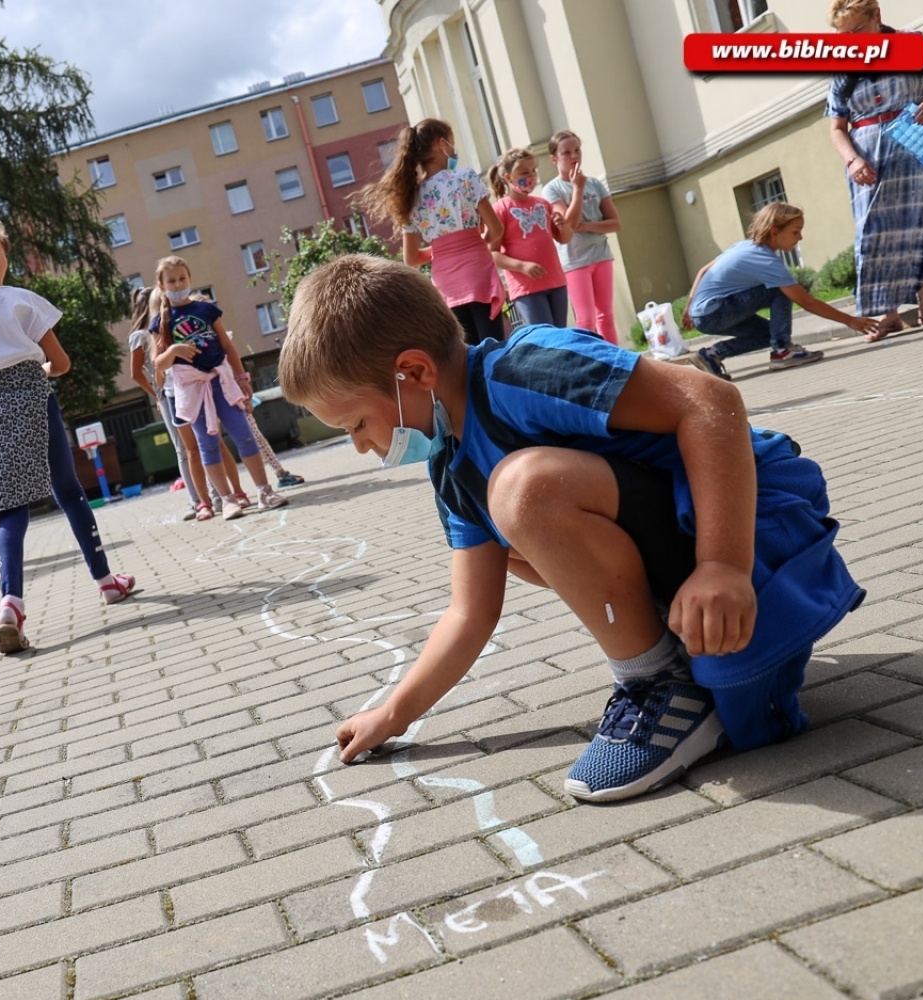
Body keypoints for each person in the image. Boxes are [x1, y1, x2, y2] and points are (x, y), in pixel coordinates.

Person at [278, 254, 864, 803]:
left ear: (413, 371)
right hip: (692, 556)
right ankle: (674, 666)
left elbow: (710, 402)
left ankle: (664, 685)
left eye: (355, 423)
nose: (359, 447)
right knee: (508, 541)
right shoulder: (452, 466)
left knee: (523, 490)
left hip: (752, 527)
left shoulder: (525, 369)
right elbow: (470, 611)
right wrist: (395, 712)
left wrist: (723, 566)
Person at [0, 214, 135, 653]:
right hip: (35, 399)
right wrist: (37, 370)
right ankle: (107, 581)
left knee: (9, 508)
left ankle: (11, 605)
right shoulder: (20, 300)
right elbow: (60, 364)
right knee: (68, 490)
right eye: (3, 246)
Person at [826, 0, 923, 340]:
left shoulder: (913, 43)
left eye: (859, 30)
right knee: (874, 235)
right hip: (866, 156)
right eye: (846, 35)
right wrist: (853, 160)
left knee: (919, 226)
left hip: (912, 141)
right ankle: (888, 315)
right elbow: (836, 127)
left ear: (877, 16)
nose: (853, 40)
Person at [152, 255, 289, 520]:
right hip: (192, 388)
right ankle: (227, 500)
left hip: (220, 381)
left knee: (243, 433)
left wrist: (242, 378)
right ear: (161, 286)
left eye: (182, 279)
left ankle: (264, 491)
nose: (178, 284)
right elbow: (159, 362)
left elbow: (227, 346)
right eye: (172, 281)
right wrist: (174, 350)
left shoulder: (207, 310)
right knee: (207, 444)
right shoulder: (161, 322)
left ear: (190, 279)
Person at [682, 203, 878, 378]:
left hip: (704, 314)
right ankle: (783, 351)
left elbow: (703, 270)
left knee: (770, 334)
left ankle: (711, 355)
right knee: (781, 289)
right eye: (795, 231)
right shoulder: (765, 260)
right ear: (775, 232)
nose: (800, 237)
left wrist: (689, 307)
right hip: (714, 310)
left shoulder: (744, 246)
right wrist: (850, 320)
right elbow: (806, 302)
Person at [359, 118, 508, 345]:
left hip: (446, 283)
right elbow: (496, 229)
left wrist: (439, 249)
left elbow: (412, 258)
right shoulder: (465, 178)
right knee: (494, 347)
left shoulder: (411, 196)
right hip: (478, 272)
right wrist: (480, 241)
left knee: (466, 352)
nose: (454, 149)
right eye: (452, 143)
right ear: (442, 144)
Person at [128, 286, 204, 520]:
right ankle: (196, 500)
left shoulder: (163, 328)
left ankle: (208, 495)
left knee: (196, 445)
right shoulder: (140, 336)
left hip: (181, 388)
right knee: (184, 449)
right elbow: (136, 373)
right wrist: (157, 393)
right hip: (167, 393)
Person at [543, 130, 623, 344]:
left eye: (577, 150)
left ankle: (617, 361)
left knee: (605, 315)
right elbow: (569, 224)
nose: (574, 156)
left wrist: (586, 225)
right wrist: (577, 189)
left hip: (601, 255)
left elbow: (615, 223)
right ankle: (590, 364)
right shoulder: (552, 189)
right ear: (554, 159)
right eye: (566, 153)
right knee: (586, 320)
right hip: (575, 261)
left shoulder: (596, 184)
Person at [488, 146, 570, 327]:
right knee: (545, 338)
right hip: (527, 289)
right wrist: (521, 266)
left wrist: (562, 225)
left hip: (556, 281)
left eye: (533, 170)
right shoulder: (501, 209)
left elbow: (564, 238)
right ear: (508, 178)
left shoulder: (543, 204)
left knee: (561, 335)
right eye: (524, 172)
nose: (531, 176)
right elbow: (492, 254)